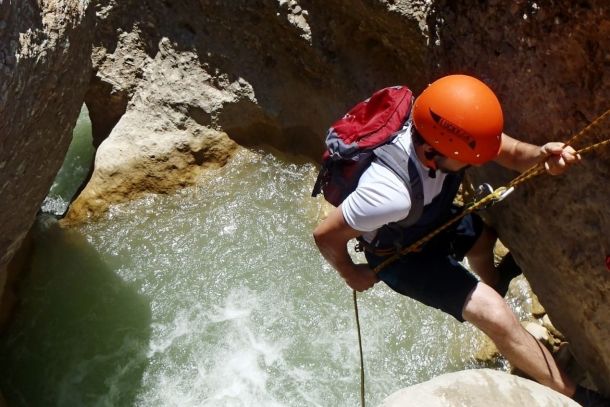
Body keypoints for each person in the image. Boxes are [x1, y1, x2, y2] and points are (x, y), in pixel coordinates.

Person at [313, 75, 608, 406]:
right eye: (471, 159)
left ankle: (494, 286)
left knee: (484, 240)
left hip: (427, 219)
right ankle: (576, 395)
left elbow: (507, 150)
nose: (477, 162)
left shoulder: (447, 131)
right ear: (430, 154)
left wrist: (542, 156)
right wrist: (352, 272)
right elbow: (325, 235)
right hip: (401, 257)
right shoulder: (386, 194)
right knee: (495, 315)